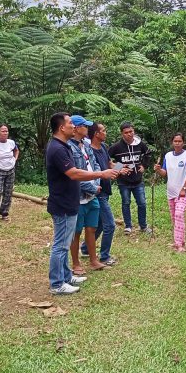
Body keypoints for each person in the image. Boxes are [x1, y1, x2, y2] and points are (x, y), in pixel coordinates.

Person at [46, 112, 119, 295]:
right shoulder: (58, 149)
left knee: (65, 242)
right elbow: (74, 173)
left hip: (70, 201)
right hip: (62, 203)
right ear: (62, 127)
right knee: (61, 245)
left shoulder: (64, 146)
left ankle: (66, 276)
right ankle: (57, 284)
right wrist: (101, 175)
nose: (73, 126)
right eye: (70, 123)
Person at [67, 115, 109, 274]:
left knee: (91, 228)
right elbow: (74, 174)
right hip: (78, 196)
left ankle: (93, 260)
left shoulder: (86, 145)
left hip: (93, 193)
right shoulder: (68, 147)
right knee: (76, 231)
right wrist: (92, 187)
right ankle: (76, 264)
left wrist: (96, 183)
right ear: (77, 128)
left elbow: (95, 164)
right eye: (85, 126)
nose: (88, 129)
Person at [81, 122, 118, 266]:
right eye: (103, 130)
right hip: (98, 192)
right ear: (96, 134)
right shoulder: (89, 151)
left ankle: (85, 248)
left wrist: (121, 168)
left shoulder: (103, 147)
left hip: (105, 191)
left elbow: (110, 165)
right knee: (110, 224)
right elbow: (95, 172)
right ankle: (104, 256)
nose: (106, 132)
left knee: (100, 223)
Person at [153, 133, 186, 252]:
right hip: (170, 191)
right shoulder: (168, 156)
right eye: (175, 141)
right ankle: (177, 241)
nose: (177, 143)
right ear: (172, 142)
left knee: (179, 214)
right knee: (174, 217)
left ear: (183, 142)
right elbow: (164, 173)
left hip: (182, 192)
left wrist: (184, 188)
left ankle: (181, 245)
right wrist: (158, 170)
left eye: (180, 141)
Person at [108, 122, 152, 234]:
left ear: (134, 131)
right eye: (126, 132)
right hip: (123, 181)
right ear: (122, 134)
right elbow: (107, 159)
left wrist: (144, 166)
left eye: (131, 131)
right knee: (126, 202)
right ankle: (128, 226)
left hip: (138, 180)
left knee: (142, 203)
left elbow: (148, 153)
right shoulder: (116, 147)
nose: (129, 134)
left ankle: (143, 226)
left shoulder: (139, 144)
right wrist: (119, 168)